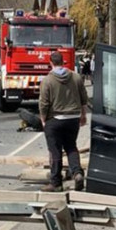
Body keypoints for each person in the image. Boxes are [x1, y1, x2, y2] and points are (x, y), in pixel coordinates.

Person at [39, 51, 89, 192]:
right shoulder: (76, 77)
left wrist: (43, 119)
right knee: (71, 147)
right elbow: (84, 98)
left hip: (55, 120)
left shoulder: (47, 80)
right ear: (63, 62)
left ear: (51, 63)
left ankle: (56, 183)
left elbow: (44, 103)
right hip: (73, 119)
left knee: (55, 151)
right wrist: (83, 115)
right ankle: (77, 173)